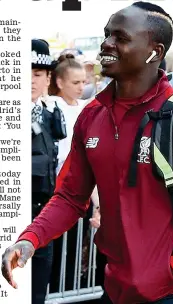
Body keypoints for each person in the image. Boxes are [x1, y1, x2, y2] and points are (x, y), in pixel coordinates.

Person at [2, 3, 173, 304]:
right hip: (113, 286)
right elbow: (70, 196)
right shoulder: (92, 115)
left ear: (154, 52)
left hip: (171, 294)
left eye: (120, 37)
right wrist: (31, 239)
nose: (106, 44)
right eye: (107, 34)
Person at [31, 39, 63, 304]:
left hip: (42, 221)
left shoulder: (50, 113)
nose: (30, 80)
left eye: (37, 74)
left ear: (48, 78)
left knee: (37, 292)